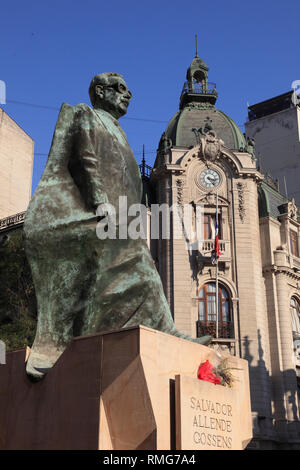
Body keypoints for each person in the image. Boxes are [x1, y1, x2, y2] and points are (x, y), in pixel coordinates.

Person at [24, 73, 211, 381]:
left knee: (143, 265)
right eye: (120, 89)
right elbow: (86, 163)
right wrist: (100, 204)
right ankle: (80, 339)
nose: (128, 95)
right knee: (136, 259)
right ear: (100, 91)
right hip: (83, 214)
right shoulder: (85, 115)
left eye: (128, 91)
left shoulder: (120, 131)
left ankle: (162, 329)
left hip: (117, 222)